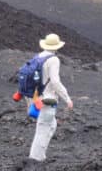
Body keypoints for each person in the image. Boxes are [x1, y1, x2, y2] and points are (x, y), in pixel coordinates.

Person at [28, 33, 73, 162]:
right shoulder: (53, 59)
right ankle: (36, 159)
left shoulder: (38, 57)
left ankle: (38, 156)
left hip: (37, 98)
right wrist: (67, 98)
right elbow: (55, 82)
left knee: (50, 125)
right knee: (44, 128)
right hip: (48, 100)